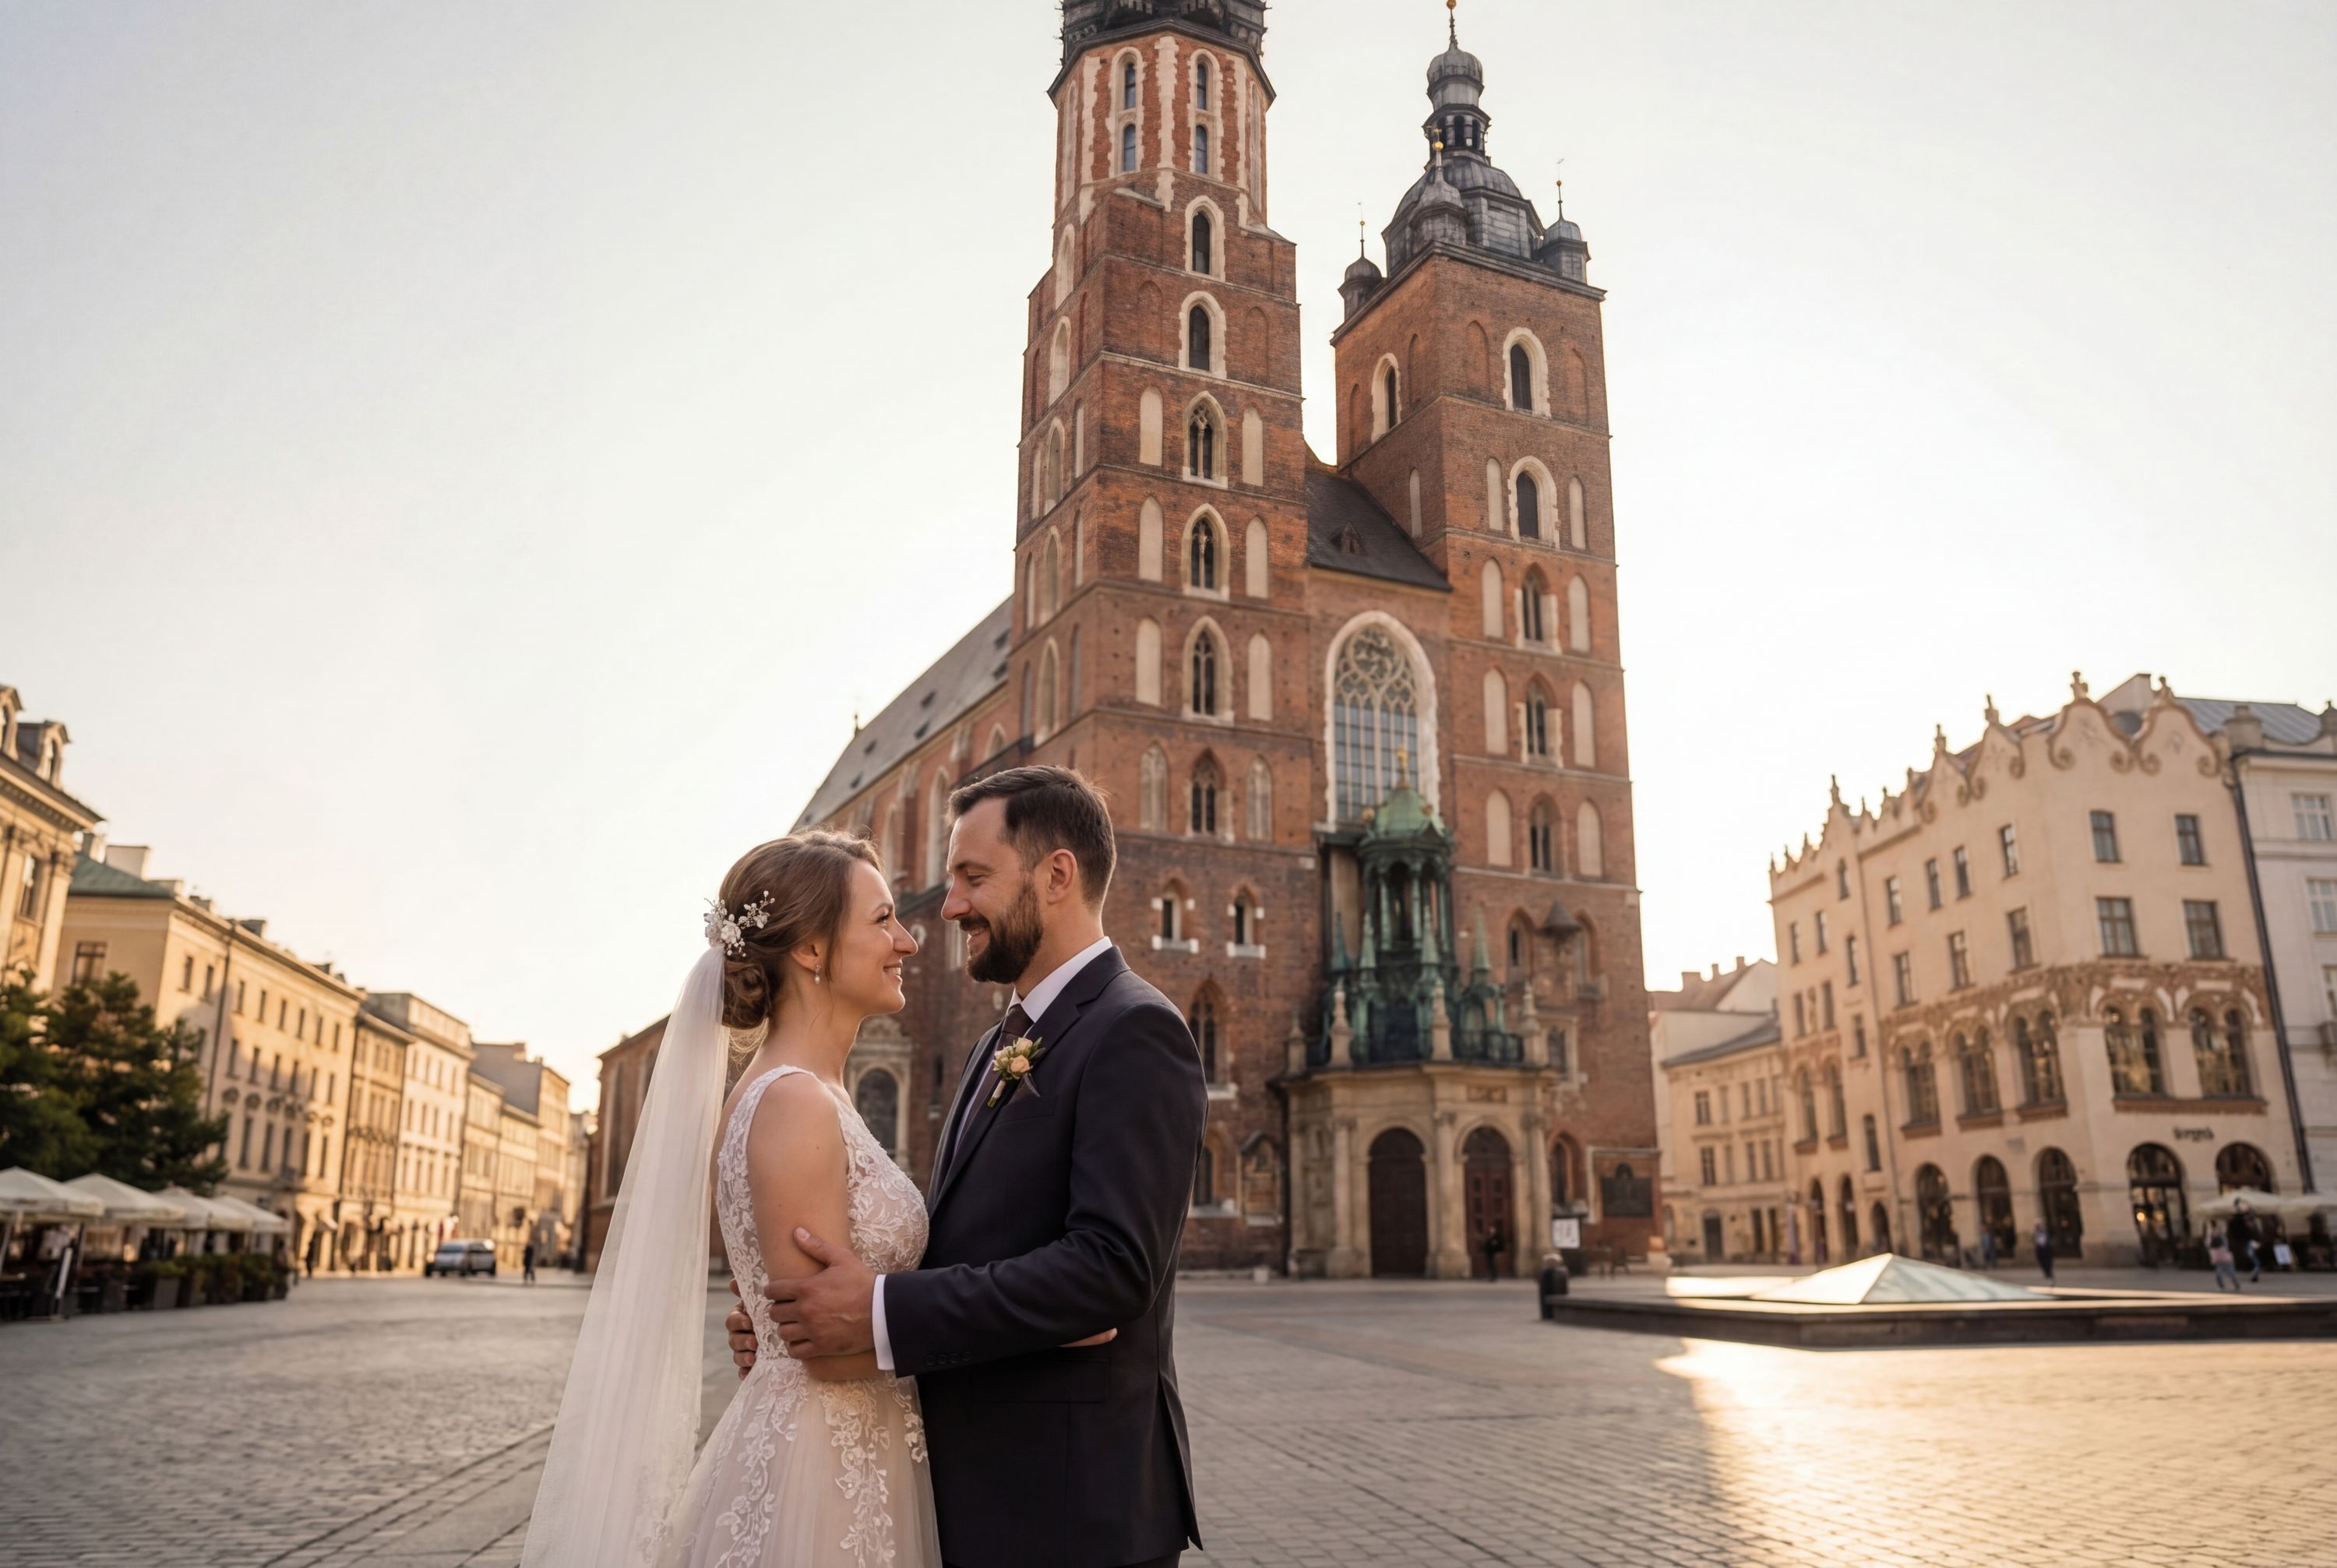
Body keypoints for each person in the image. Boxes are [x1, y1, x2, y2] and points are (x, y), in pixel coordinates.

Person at [733, 766, 1207, 1568]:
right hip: (973, 1492)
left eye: (973, 878)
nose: (947, 907)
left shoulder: (1135, 1031)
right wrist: (798, 1320)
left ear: (1057, 876)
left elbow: (1112, 1272)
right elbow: (966, 1244)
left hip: (1070, 1508)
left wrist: (877, 1314)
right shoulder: (998, 1043)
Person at [522, 831, 944, 1566]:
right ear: (811, 950)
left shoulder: (809, 1093)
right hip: (826, 1477)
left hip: (846, 1448)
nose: (907, 940)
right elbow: (827, 1346)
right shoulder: (795, 1102)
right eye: (882, 919)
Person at [2229, 1202, 2261, 1283]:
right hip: (2248, 1244)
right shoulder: (2246, 1226)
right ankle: (2254, 1275)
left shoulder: (2238, 1224)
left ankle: (2254, 1275)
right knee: (2256, 1262)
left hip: (2244, 1243)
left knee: (2255, 1262)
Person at [2208, 1226, 2240, 1291]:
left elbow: (2226, 1244)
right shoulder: (2211, 1242)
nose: (2215, 1234)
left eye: (2216, 1232)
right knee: (2218, 1275)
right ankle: (2221, 1286)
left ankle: (2237, 1284)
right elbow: (2209, 1247)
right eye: (2214, 1233)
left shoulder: (2222, 1240)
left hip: (2226, 1260)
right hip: (2218, 1261)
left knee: (2231, 1273)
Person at [2031, 1220, 2055, 1284]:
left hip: (2046, 1250)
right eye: (2037, 1226)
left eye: (2039, 1225)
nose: (2038, 1227)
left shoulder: (2045, 1232)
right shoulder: (2035, 1233)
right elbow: (2035, 1241)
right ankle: (2048, 1274)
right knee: (2043, 1264)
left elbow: (2048, 1240)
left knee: (2048, 1264)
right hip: (2040, 1251)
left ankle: (2050, 1275)